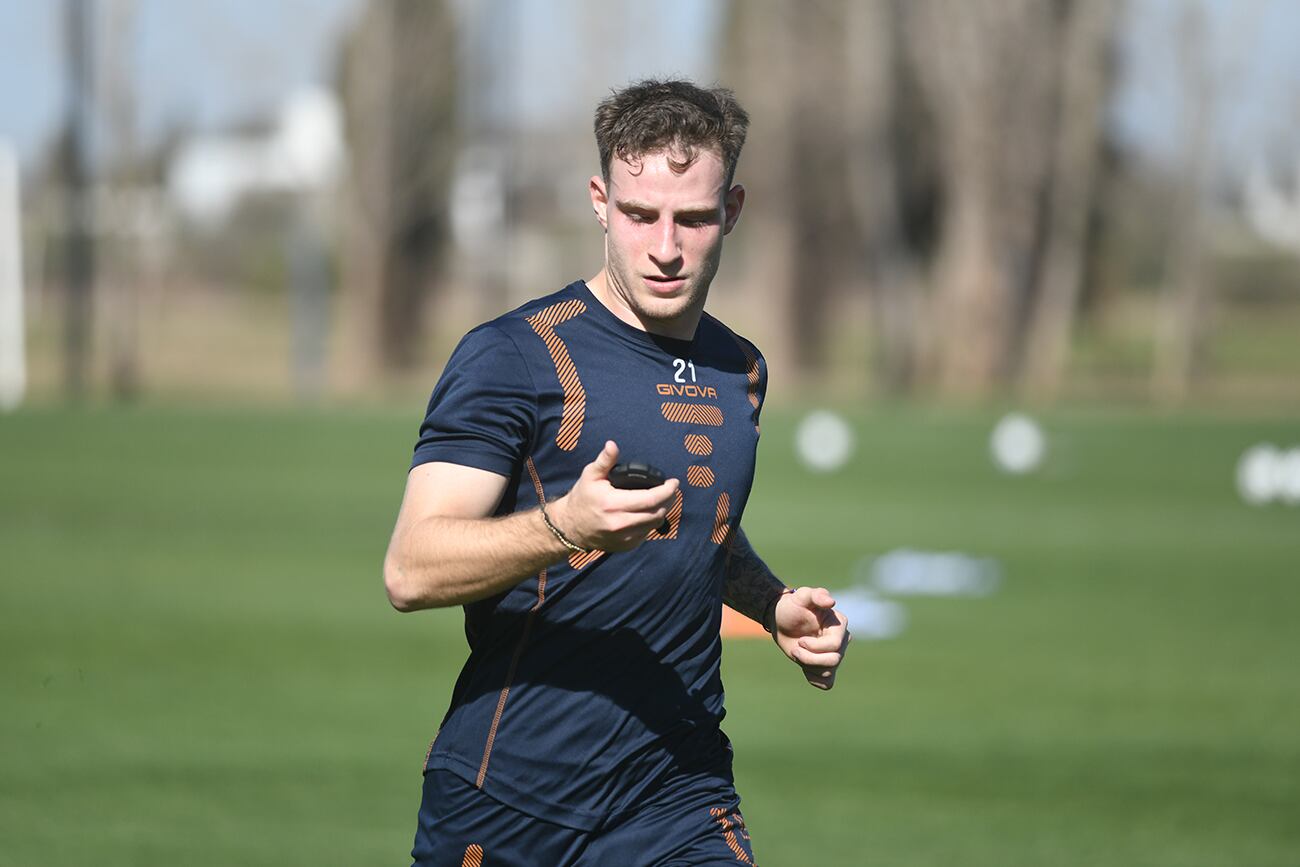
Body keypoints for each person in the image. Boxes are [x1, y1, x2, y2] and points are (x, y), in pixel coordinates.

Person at [384, 79, 850, 867]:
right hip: (511, 797)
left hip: (679, 791)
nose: (665, 246)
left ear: (731, 211)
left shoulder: (742, 371)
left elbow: (701, 523)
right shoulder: (515, 356)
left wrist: (771, 604)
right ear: (601, 200)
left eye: (694, 218)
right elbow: (410, 567)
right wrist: (565, 524)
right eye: (640, 215)